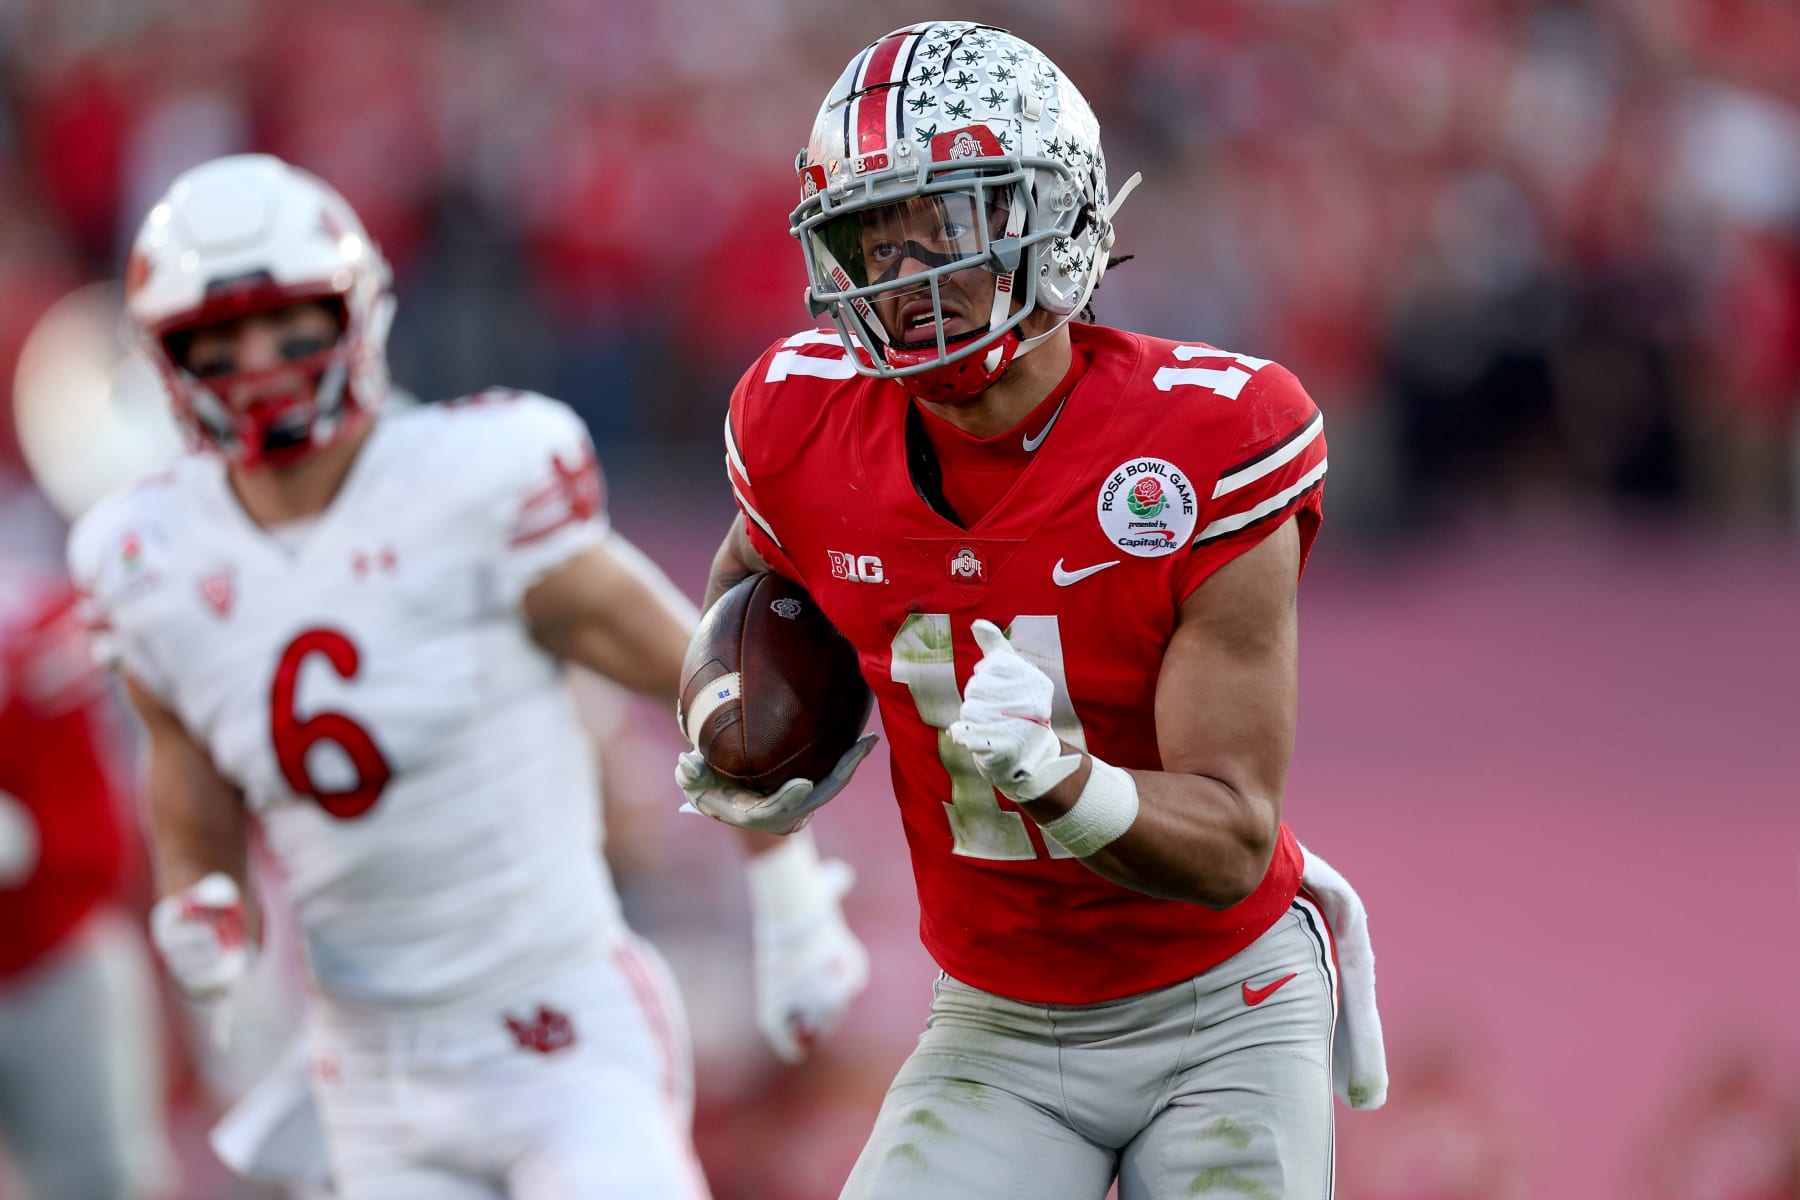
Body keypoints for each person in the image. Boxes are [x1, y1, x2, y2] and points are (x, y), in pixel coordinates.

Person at [674, 21, 1388, 1199]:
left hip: (1219, 1006)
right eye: (871, 239)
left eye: (940, 227)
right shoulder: (799, 425)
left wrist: (1062, 778)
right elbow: (751, 614)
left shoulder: (1208, 439)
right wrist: (744, 747)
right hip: (997, 1019)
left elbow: (1230, 841)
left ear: (1054, 216)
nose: (903, 280)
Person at [68, 153, 868, 1200]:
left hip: (558, 1027)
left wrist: (793, 897)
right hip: (369, 1066)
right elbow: (190, 779)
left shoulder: (472, 479)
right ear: (165, 360)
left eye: (290, 326)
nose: (260, 362)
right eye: (218, 340)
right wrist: (204, 906)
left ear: (356, 318)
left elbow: (722, 692)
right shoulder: (147, 556)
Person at [0, 558, 174, 1200]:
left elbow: (94, 842)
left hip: (56, 952)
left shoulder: (31, 620)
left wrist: (35, 838)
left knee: (103, 1184)